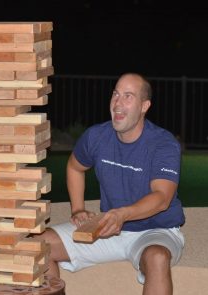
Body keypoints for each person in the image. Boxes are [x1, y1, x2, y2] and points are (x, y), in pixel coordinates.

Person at [38, 73, 185, 295]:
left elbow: (161, 198)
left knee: (157, 257)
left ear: (144, 106)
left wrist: (123, 214)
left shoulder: (163, 144)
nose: (117, 102)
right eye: (116, 94)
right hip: (108, 227)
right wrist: (77, 208)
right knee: (38, 244)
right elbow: (75, 167)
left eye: (128, 96)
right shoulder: (97, 136)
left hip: (155, 230)